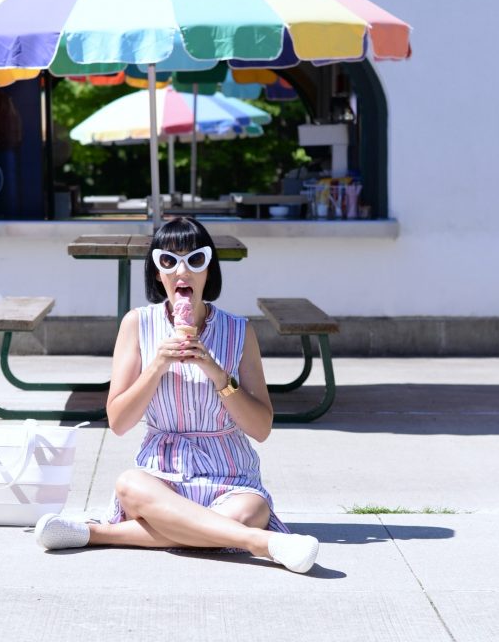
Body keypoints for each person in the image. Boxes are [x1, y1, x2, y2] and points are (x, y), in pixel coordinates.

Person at [35, 217, 319, 573]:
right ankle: (261, 543)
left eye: (194, 260)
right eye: (168, 261)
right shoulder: (137, 324)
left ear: (208, 270)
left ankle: (96, 534)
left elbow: (261, 428)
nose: (181, 272)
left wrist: (216, 371)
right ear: (157, 273)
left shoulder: (240, 331)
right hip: (160, 472)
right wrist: (157, 365)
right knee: (129, 484)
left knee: (253, 510)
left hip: (229, 474)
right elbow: (119, 422)